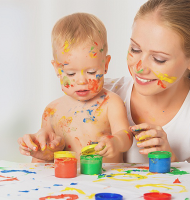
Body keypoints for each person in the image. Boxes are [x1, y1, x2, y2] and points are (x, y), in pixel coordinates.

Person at [19, 0, 190, 163]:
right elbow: (54, 164)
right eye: (135, 49)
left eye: (159, 59)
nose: (140, 67)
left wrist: (170, 159)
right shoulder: (96, 95)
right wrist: (45, 149)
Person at [18, 13, 133, 163]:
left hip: (106, 182)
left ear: (105, 65)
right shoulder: (51, 111)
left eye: (91, 72)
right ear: (57, 69)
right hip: (67, 184)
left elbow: (126, 136)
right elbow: (43, 162)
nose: (81, 80)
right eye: (71, 73)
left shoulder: (111, 103)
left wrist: (116, 142)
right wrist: (41, 151)